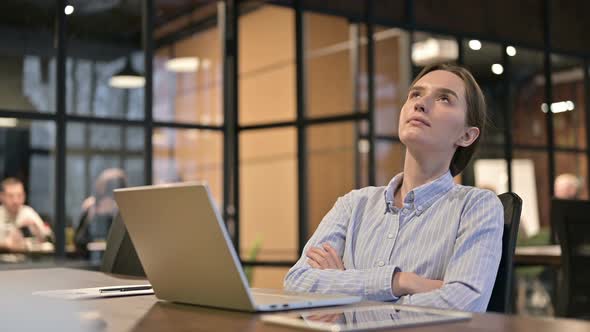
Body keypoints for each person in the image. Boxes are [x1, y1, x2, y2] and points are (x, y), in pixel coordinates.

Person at [284, 64, 504, 313]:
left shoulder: (477, 206)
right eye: (415, 94)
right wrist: (401, 281)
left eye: (444, 98)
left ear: (466, 136)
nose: (420, 104)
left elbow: (464, 303)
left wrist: (345, 293)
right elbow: (297, 283)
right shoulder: (354, 204)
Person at [74, 168, 127, 258]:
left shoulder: (123, 210)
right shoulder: (90, 207)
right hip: (89, 259)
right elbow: (78, 241)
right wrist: (91, 215)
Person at [0, 177, 52, 251]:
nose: (15, 201)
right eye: (10, 196)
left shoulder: (28, 212)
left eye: (19, 195)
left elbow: (47, 238)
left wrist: (38, 233)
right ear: (2, 196)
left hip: (26, 260)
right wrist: (6, 245)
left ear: (24, 196)